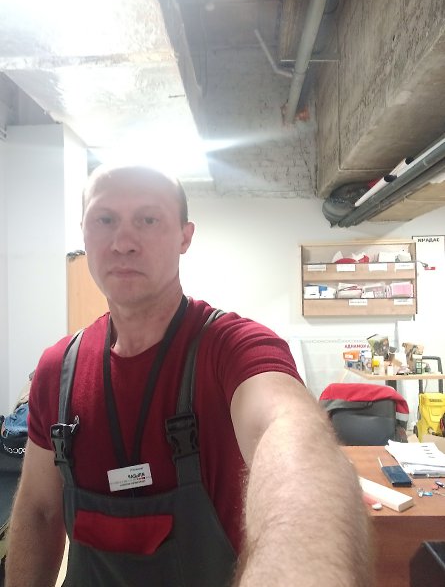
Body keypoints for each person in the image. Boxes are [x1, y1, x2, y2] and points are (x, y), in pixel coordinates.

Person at [5, 164, 372, 587]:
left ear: (185, 236)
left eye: (148, 219)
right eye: (104, 219)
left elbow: (293, 438)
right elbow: (39, 511)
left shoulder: (233, 348)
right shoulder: (57, 370)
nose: (123, 242)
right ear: (84, 235)